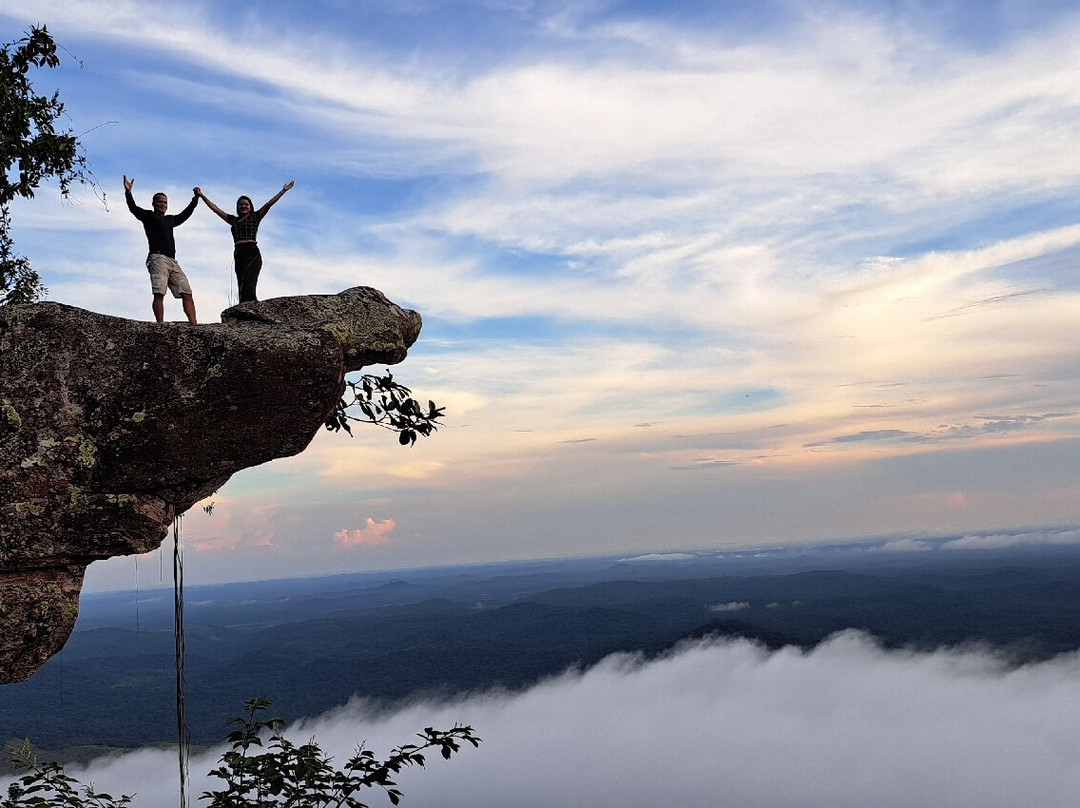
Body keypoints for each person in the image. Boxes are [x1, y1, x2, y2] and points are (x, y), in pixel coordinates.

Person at [196, 181, 294, 303]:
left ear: (250, 206)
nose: (244, 206)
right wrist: (202, 195)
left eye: (246, 204)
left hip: (252, 252)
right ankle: (243, 308)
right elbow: (215, 209)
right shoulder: (233, 220)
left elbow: (268, 204)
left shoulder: (255, 217)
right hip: (239, 253)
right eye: (241, 204)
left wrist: (282, 191)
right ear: (237, 207)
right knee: (241, 283)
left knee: (249, 282)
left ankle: (253, 307)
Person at [123, 175, 200, 324]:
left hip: (172, 261)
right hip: (157, 258)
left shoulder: (170, 220)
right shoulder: (149, 216)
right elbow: (133, 208)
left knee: (187, 292)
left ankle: (194, 324)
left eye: (165, 202)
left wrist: (195, 199)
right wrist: (128, 193)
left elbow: (184, 215)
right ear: (153, 203)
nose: (162, 205)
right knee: (159, 292)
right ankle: (160, 325)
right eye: (159, 202)